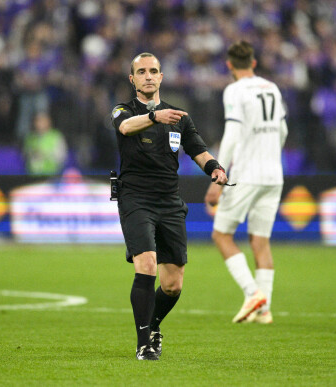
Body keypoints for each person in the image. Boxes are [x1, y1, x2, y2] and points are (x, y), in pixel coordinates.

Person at [111, 52, 228, 360]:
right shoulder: (123, 111)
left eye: (154, 71)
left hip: (169, 202)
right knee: (146, 264)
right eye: (142, 71)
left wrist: (214, 168)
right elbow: (124, 128)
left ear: (161, 77)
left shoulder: (179, 117)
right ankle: (143, 344)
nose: (148, 76)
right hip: (135, 198)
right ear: (132, 79)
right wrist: (152, 116)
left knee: (173, 284)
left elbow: (198, 150)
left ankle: (153, 326)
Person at [204, 41, 288, 324]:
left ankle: (253, 293)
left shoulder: (234, 90)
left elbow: (232, 134)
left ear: (229, 65)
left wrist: (218, 175)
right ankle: (264, 311)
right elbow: (283, 130)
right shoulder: (272, 88)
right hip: (274, 175)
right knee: (260, 242)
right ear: (253, 63)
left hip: (247, 175)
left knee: (221, 234)